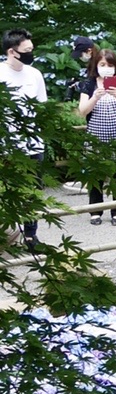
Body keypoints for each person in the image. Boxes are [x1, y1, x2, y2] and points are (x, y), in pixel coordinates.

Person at [77, 48, 116, 225]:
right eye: (102, 64)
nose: (106, 68)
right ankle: (95, 211)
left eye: (110, 65)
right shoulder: (89, 84)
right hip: (96, 136)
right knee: (95, 175)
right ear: (96, 65)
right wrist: (95, 97)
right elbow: (82, 111)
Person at [1, 28, 48, 249]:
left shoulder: (35, 74)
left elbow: (42, 108)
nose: (31, 53)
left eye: (32, 49)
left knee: (33, 191)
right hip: (6, 145)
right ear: (12, 51)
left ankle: (31, 235)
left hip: (33, 143)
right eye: (26, 50)